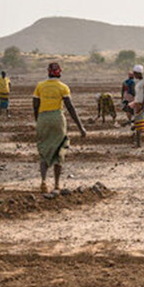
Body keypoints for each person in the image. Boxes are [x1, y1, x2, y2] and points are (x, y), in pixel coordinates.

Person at [32, 62, 86, 193]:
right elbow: (70, 108)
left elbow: (35, 105)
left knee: (44, 149)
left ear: (48, 72)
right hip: (57, 118)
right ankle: (56, 184)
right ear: (60, 72)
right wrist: (81, 127)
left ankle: (44, 181)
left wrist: (38, 120)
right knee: (59, 150)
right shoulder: (63, 87)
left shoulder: (40, 86)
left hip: (43, 118)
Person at [130, 65, 144, 147]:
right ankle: (139, 143)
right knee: (138, 124)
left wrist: (143, 106)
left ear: (139, 73)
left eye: (135, 73)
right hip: (137, 104)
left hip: (141, 105)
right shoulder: (138, 82)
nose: (134, 75)